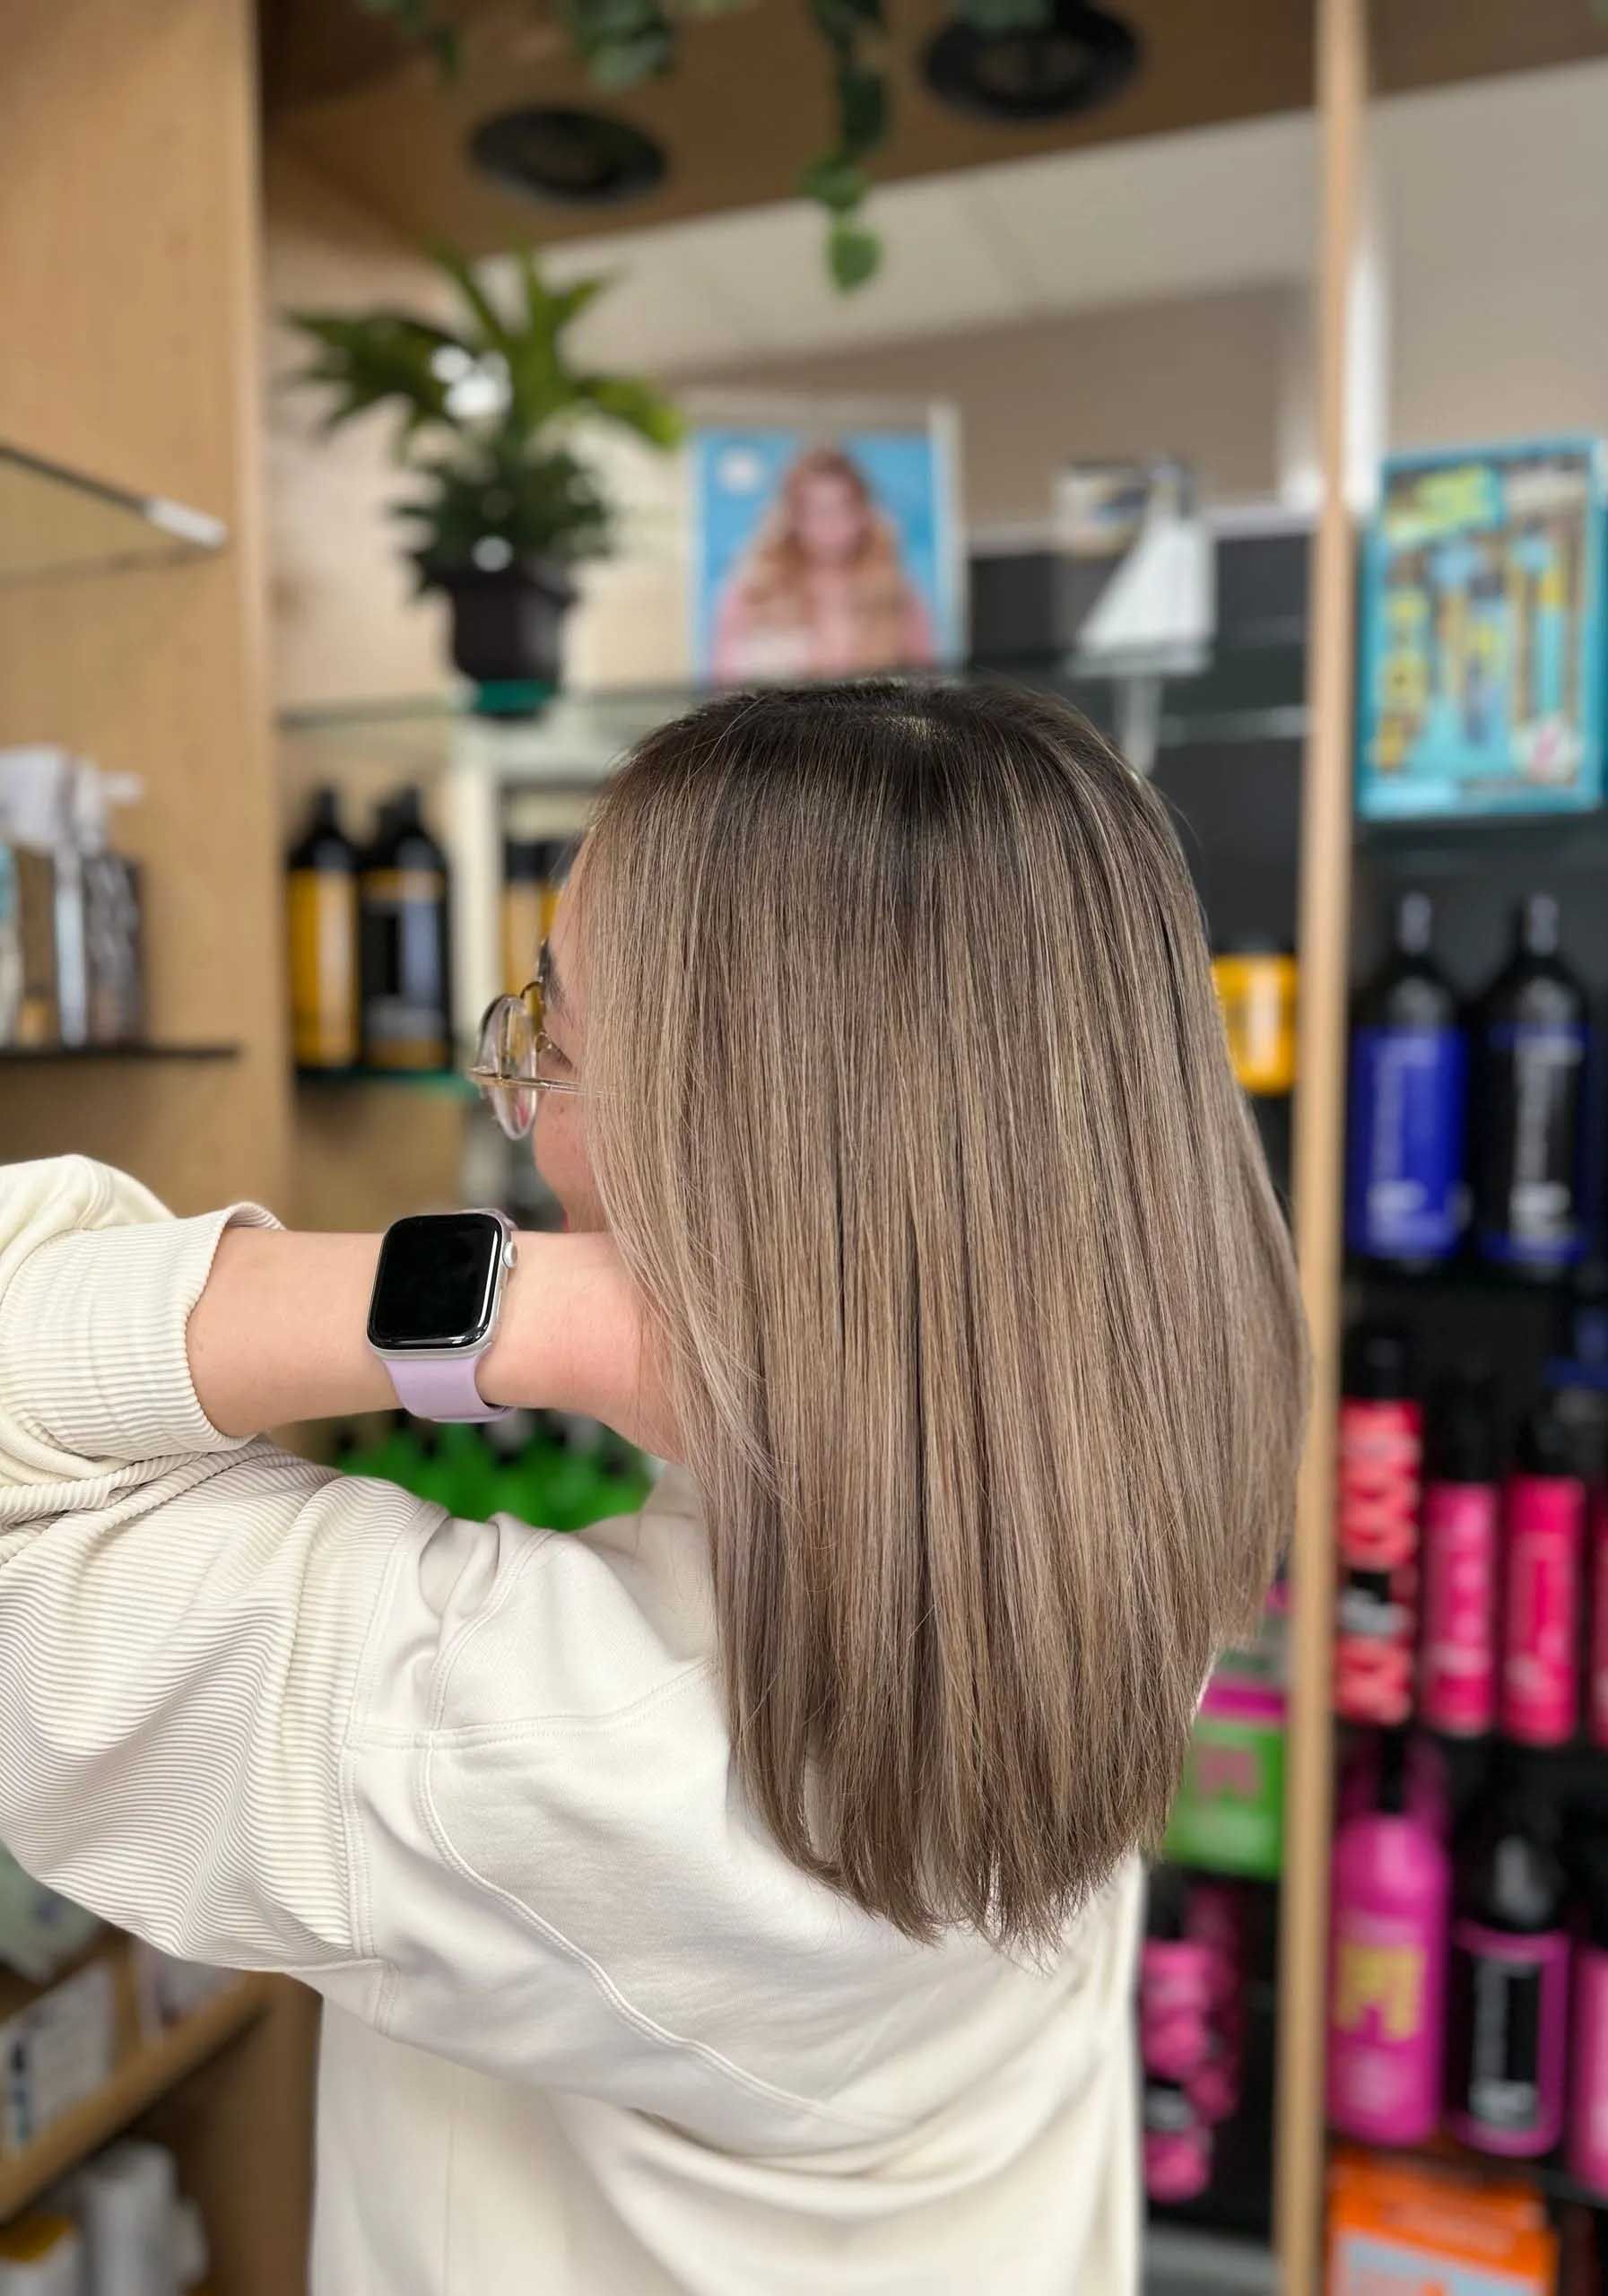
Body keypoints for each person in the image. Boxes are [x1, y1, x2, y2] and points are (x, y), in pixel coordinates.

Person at [0, 682, 1306, 2295]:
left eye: (552, 1034)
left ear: (736, 1149)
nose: (523, 1093)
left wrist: (555, 1307)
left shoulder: (558, 1742)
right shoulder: (1104, 1488)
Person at [711, 446, 940, 680]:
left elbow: (924, 687)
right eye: (817, 510)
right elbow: (725, 690)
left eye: (844, 508)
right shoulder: (752, 591)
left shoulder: (898, 593)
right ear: (792, 517)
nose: (831, 523)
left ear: (864, 513)